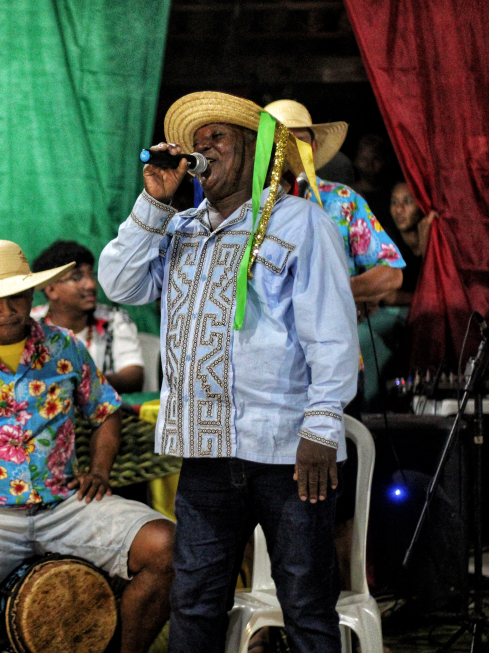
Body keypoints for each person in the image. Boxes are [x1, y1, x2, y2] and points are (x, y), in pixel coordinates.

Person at [99, 92, 359, 653]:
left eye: (218, 138)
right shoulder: (180, 228)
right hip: (208, 454)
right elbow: (119, 285)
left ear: (257, 152)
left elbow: (332, 334)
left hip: (288, 452)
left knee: (307, 606)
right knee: (194, 604)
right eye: (198, 141)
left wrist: (320, 428)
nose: (202, 149)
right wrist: (153, 204)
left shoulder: (299, 223)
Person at [0, 240, 175, 653]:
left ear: (33, 294)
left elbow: (107, 411)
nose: (7, 309)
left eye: (17, 296)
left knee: (165, 546)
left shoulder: (64, 347)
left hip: (64, 506)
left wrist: (99, 472)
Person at [264, 100, 405, 320]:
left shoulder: (342, 200)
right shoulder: (245, 204)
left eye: (300, 141)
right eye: (281, 140)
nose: (292, 149)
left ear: (314, 147)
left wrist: (345, 292)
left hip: (333, 339)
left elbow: (391, 273)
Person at [31, 239, 145, 393]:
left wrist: (87, 381)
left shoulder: (114, 320)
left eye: (91, 274)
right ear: (51, 290)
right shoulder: (31, 324)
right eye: (77, 277)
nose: (91, 284)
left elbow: (134, 377)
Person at [387, 180, 435, 305]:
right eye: (394, 202)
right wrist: (430, 300)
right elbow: (389, 297)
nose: (399, 209)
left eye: (408, 201)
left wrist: (426, 247)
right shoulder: (387, 240)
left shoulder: (435, 236)